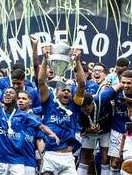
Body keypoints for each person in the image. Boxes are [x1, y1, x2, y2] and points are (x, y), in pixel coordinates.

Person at [0, 81, 59, 175]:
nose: (8, 93)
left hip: (17, 162)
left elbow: (41, 126)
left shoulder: (23, 116)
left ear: (16, 99)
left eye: (11, 93)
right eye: (6, 92)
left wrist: (52, 134)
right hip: (1, 161)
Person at [38, 46, 85, 175]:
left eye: (69, 91)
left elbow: (81, 84)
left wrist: (78, 61)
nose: (66, 92)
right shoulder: (48, 103)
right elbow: (41, 81)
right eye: (63, 90)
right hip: (50, 155)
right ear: (56, 92)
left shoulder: (74, 106)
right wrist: (45, 59)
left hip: (68, 157)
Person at [100, 70, 132, 174]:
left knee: (131, 162)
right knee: (115, 163)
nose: (125, 85)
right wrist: (116, 87)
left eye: (128, 83)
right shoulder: (116, 92)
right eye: (123, 82)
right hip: (117, 130)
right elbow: (103, 97)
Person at [77, 93, 112, 175]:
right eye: (84, 109)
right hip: (89, 133)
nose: (86, 110)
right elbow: (75, 126)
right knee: (85, 156)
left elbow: (117, 87)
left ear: (93, 104)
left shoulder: (103, 99)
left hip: (105, 131)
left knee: (105, 157)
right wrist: (87, 130)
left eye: (88, 109)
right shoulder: (77, 108)